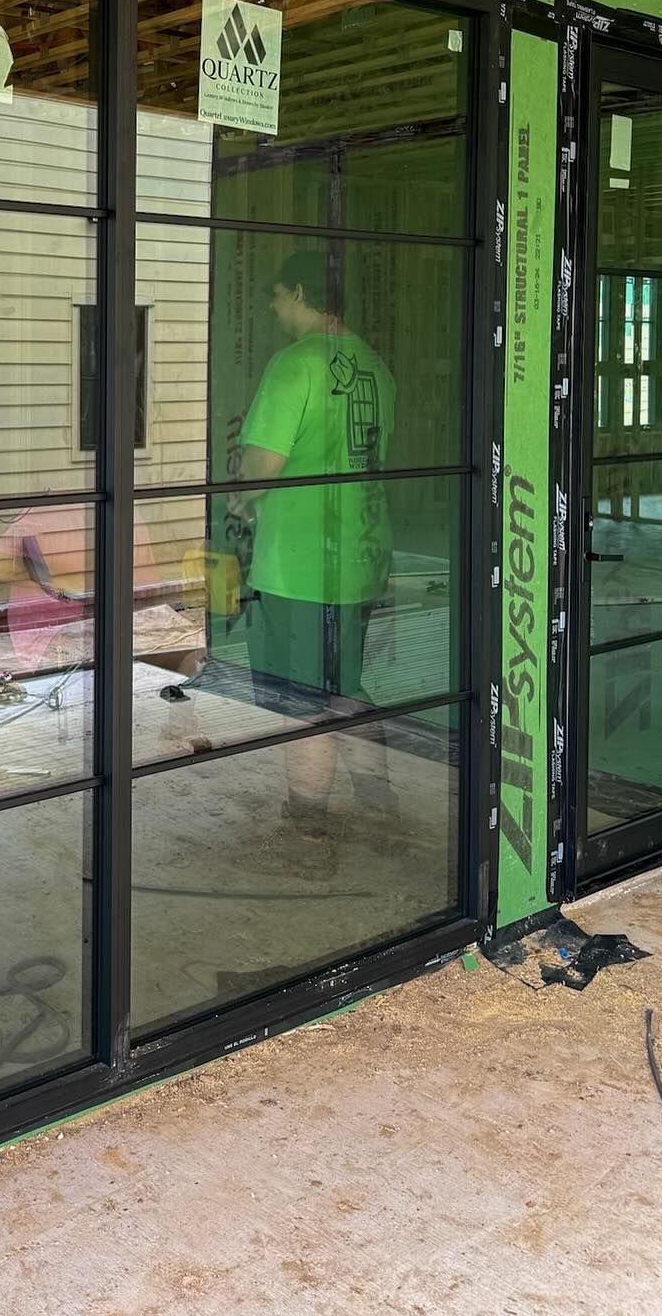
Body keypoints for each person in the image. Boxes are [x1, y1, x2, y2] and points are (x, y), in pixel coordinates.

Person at [229, 250, 396, 866]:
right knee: (345, 685)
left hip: (301, 565)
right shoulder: (376, 367)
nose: (274, 309)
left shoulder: (295, 364)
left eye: (277, 297)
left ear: (300, 292)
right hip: (362, 554)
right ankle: (380, 807)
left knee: (300, 699)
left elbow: (263, 464)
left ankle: (308, 833)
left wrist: (240, 499)